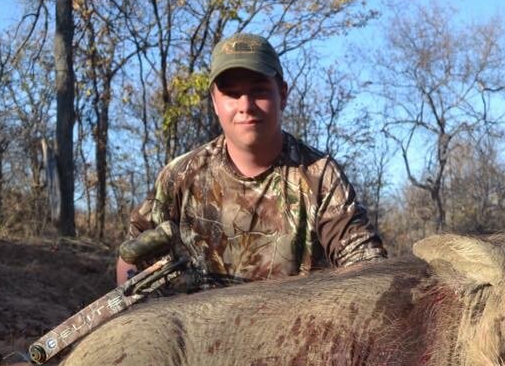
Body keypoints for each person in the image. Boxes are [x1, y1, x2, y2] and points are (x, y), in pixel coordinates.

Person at [117, 33, 386, 287]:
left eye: (259, 91)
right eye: (232, 94)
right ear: (214, 102)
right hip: (199, 331)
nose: (246, 105)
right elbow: (131, 258)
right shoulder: (181, 175)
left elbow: (365, 265)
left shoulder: (319, 175)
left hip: (297, 331)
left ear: (283, 94)